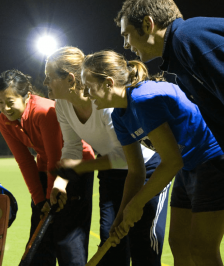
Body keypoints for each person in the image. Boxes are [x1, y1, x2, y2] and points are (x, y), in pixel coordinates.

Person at [81, 50, 224, 265]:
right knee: (179, 243)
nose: (87, 95)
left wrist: (136, 205)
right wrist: (120, 218)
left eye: (89, 88)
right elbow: (136, 171)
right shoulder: (119, 115)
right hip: (188, 165)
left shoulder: (144, 99)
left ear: (108, 83)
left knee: (202, 249)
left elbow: (172, 161)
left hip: (213, 159)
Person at [44, 47, 168, 265]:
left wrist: (80, 168)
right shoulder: (62, 105)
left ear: (70, 79)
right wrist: (60, 183)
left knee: (144, 246)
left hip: (146, 170)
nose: (45, 83)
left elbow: (125, 157)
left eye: (49, 77)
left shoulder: (102, 101)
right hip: (111, 174)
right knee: (111, 242)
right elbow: (72, 147)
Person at [115, 0, 224, 168]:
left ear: (148, 24)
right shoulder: (181, 61)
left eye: (127, 34)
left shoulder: (190, 38)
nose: (126, 44)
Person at [0, 69, 95, 266]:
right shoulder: (4, 122)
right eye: (0, 102)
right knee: (40, 241)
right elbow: (24, 161)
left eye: (10, 102)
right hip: (46, 166)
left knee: (68, 240)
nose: (5, 108)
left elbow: (56, 156)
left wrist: (52, 195)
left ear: (26, 97)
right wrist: (40, 200)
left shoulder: (44, 111)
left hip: (75, 166)